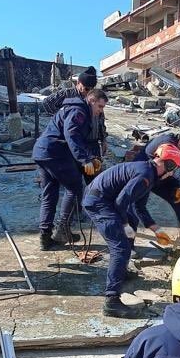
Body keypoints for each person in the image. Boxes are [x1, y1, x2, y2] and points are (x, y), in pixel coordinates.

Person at [83, 147, 180, 318]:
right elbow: (121, 203)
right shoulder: (145, 175)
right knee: (120, 249)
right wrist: (125, 224)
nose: (172, 174)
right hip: (99, 202)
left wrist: (156, 230)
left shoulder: (149, 175)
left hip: (104, 199)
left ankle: (120, 270)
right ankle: (111, 302)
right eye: (173, 169)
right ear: (168, 164)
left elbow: (139, 206)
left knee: (127, 233)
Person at [33, 88, 108, 248]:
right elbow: (72, 134)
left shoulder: (76, 108)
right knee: (74, 188)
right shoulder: (79, 110)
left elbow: (79, 140)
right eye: (100, 107)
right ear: (92, 100)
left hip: (43, 152)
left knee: (49, 194)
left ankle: (45, 238)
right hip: (55, 153)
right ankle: (62, 229)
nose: (100, 111)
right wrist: (84, 160)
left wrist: (90, 157)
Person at [133, 132, 180, 240]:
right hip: (142, 174)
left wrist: (177, 187)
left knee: (179, 201)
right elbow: (174, 167)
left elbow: (175, 169)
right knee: (134, 207)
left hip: (161, 177)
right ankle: (128, 245)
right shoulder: (167, 142)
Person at [41, 66, 107, 157]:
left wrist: (103, 140)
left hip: (92, 144)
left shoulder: (94, 97)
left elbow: (100, 120)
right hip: (74, 142)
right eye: (86, 89)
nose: (88, 92)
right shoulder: (67, 94)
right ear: (78, 83)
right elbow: (47, 103)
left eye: (92, 89)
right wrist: (63, 118)